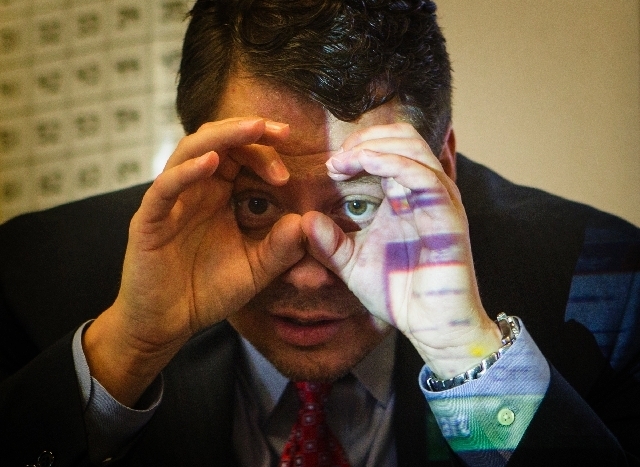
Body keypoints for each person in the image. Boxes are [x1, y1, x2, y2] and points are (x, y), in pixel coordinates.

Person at [1, 0, 639, 465]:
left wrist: (469, 357)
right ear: (200, 157)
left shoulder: (605, 287)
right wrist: (129, 350)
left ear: (442, 166)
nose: (308, 272)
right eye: (256, 203)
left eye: (359, 204)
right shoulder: (32, 279)